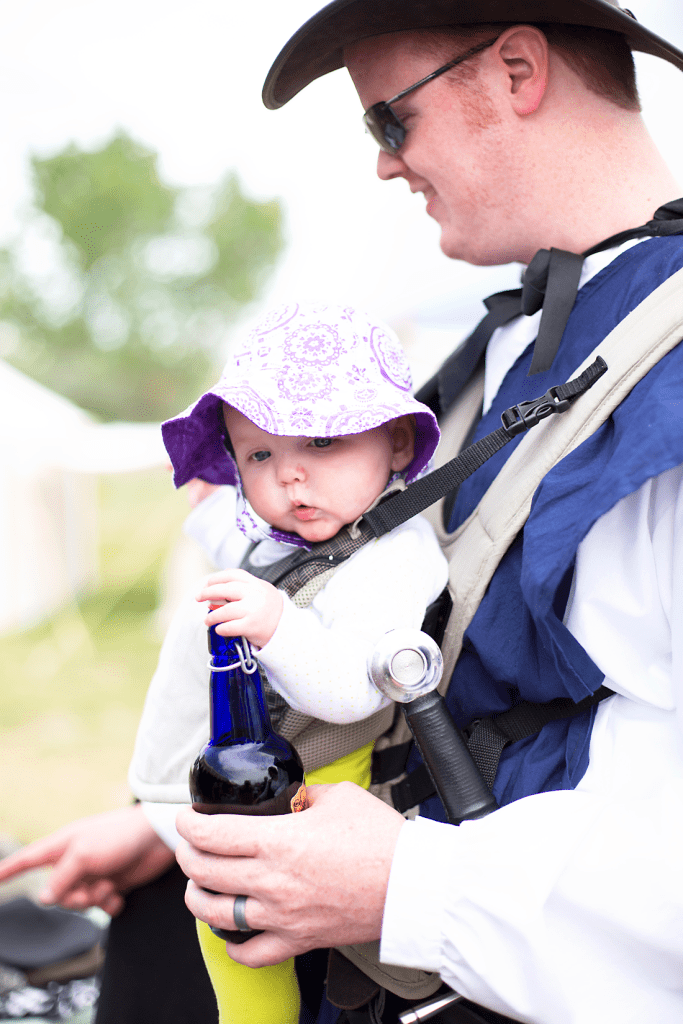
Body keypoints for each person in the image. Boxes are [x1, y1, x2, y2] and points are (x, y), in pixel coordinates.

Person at [2, 2, 683, 1023]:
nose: (382, 165)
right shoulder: (506, 345)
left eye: (388, 122)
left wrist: (406, 881)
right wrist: (187, 822)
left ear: (513, 71)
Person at [132, 299, 447, 1022]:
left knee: (240, 930)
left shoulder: (393, 560)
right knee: (222, 922)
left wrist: (277, 627)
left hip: (312, 776)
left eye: (320, 443)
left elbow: (348, 693)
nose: (289, 479)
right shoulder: (279, 531)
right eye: (260, 455)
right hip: (224, 774)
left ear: (397, 442)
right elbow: (229, 533)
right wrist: (208, 494)